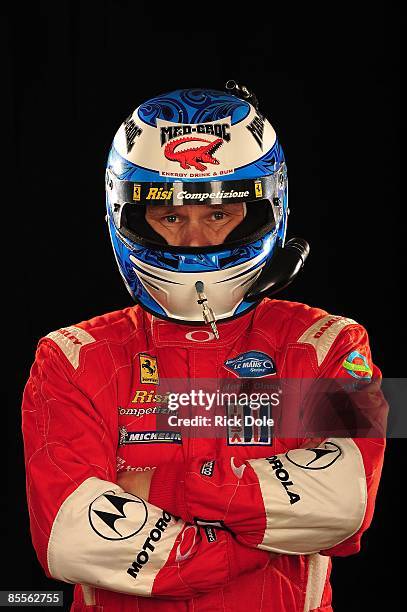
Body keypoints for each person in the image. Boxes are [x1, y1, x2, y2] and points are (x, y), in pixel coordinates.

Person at [22, 83, 386, 611]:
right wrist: (258, 539)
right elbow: (68, 536)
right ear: (125, 216)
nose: (195, 241)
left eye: (219, 214)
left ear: (267, 210)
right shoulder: (69, 357)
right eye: (170, 217)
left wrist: (161, 490)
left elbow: (345, 500)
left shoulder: (332, 342)